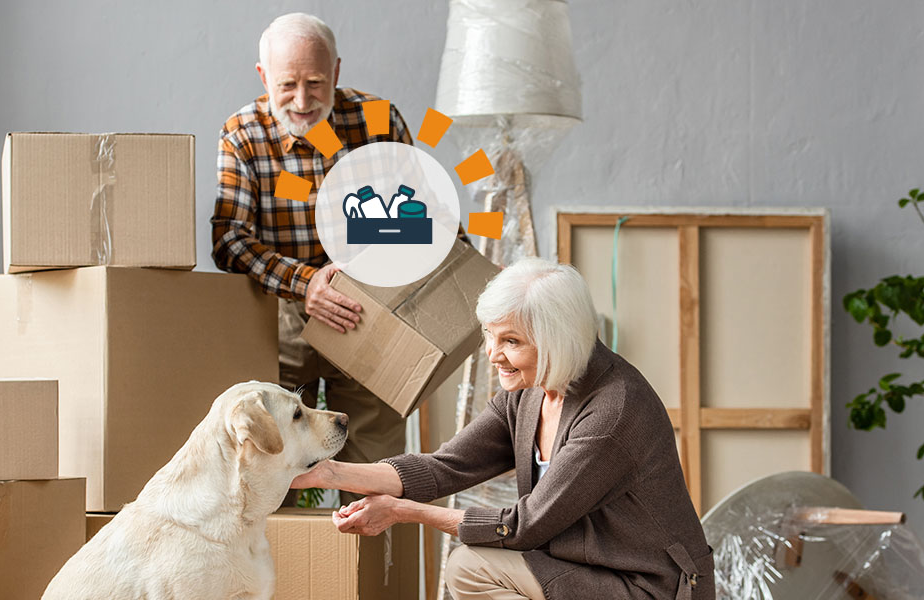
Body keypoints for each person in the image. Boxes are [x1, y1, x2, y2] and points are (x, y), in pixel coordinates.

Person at [292, 258, 715, 599]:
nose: (494, 355)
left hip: (649, 587)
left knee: (471, 567)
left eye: (511, 341)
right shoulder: (528, 391)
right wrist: (330, 472)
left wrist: (404, 512)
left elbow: (525, 526)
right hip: (585, 572)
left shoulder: (612, 412)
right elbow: (445, 467)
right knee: (469, 567)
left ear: (557, 340)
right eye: (491, 337)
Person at [211, 12, 415, 497]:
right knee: (265, 468)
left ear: (337, 73)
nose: (302, 101)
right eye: (287, 85)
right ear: (263, 77)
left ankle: (373, 572)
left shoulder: (378, 120)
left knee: (380, 471)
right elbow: (229, 239)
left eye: (316, 83)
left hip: (372, 310)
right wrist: (307, 284)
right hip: (281, 313)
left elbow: (423, 214)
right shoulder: (243, 133)